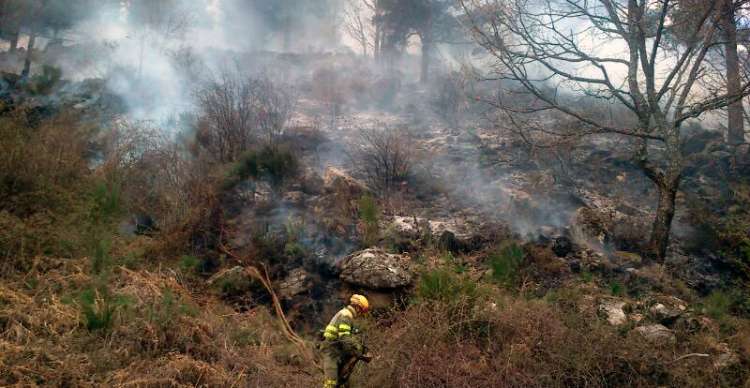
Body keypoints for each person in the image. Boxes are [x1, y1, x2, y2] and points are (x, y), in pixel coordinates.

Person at [321, 294, 370, 388]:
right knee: (331, 382)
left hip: (336, 349)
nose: (360, 314)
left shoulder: (346, 314)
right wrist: (358, 349)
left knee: (343, 381)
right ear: (357, 307)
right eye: (361, 310)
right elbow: (344, 337)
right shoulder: (346, 315)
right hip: (331, 351)